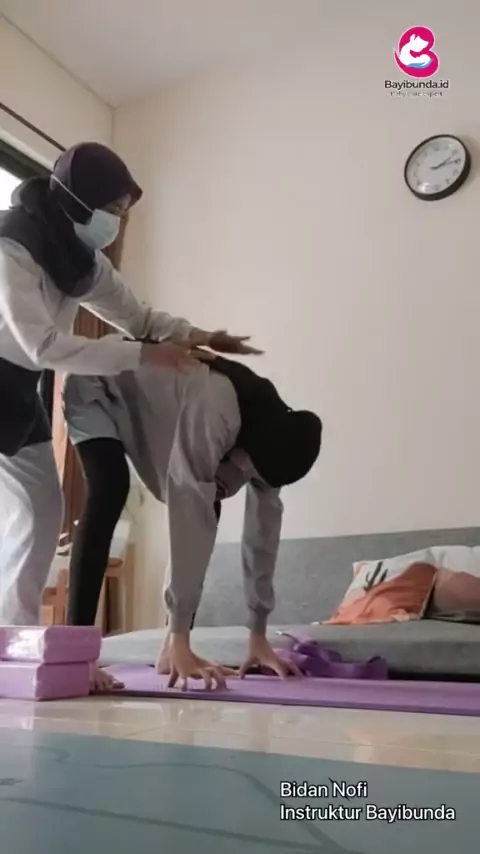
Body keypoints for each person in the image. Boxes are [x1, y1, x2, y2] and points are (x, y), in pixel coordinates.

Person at [0, 141, 258, 632]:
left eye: (122, 212)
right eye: (112, 209)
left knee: (41, 510)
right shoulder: (12, 245)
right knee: (35, 510)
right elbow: (42, 345)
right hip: (13, 372)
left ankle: (14, 638)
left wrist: (197, 335)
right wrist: (143, 356)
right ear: (78, 201)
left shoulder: (83, 261)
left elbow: (138, 318)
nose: (116, 221)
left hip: (18, 392)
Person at [63, 352, 322, 690]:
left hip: (150, 406)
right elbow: (187, 512)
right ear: (252, 446)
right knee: (110, 488)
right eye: (247, 468)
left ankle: (169, 652)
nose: (244, 475)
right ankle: (75, 658)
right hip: (97, 383)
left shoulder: (278, 444)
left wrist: (258, 636)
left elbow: (262, 539)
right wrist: (181, 637)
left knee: (208, 502)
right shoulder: (218, 409)